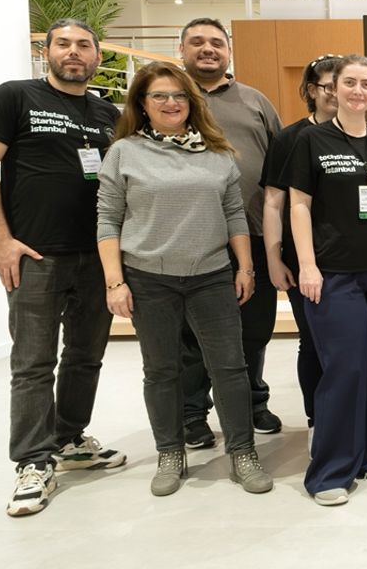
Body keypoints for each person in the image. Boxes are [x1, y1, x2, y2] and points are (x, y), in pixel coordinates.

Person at [0, 19, 125, 517]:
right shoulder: (16, 97)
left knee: (86, 356)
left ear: (97, 56)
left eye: (84, 45)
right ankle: (33, 462)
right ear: (47, 52)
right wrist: (1, 240)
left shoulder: (107, 113)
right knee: (33, 363)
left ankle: (69, 438)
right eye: (64, 44)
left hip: (96, 255)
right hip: (36, 256)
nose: (73, 52)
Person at [96, 61, 272, 497]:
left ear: (192, 102)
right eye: (160, 95)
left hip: (211, 275)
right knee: (161, 371)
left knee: (230, 368)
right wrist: (115, 282)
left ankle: (242, 452)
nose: (171, 103)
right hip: (148, 278)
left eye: (179, 96)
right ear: (143, 103)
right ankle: (170, 452)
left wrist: (245, 267)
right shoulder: (124, 153)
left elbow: (234, 214)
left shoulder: (217, 153)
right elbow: (108, 219)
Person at [287, 54, 367, 506]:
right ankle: (331, 471)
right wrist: (307, 264)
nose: (358, 91)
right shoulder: (311, 140)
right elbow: (299, 205)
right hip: (334, 275)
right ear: (333, 89)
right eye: (349, 83)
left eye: (366, 83)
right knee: (344, 369)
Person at [177, 18, 284, 447]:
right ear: (182, 49)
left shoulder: (255, 101)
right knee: (191, 333)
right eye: (197, 42)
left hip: (254, 233)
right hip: (191, 237)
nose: (208, 49)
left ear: (229, 50)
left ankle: (252, 402)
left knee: (253, 327)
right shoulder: (169, 99)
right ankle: (192, 413)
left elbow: (280, 164)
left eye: (216, 43)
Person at [262, 54, 342, 442]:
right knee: (313, 341)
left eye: (344, 84)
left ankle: (346, 417)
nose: (337, 93)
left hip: (353, 260)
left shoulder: (363, 134)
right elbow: (273, 203)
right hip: (303, 261)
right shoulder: (289, 138)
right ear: (311, 90)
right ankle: (317, 421)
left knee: (348, 345)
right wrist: (273, 258)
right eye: (329, 86)